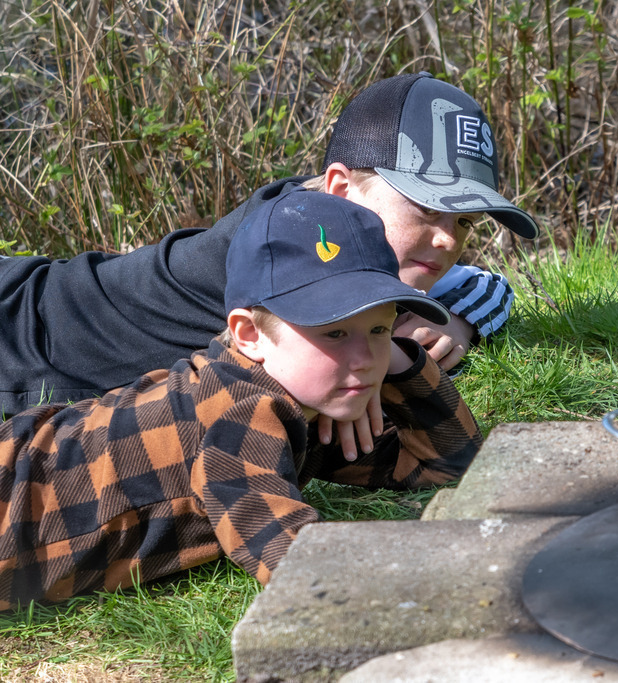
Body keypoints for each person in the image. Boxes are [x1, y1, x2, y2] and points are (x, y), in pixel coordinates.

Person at [0, 190, 483, 609]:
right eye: (335, 332)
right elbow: (296, 559)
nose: (364, 358)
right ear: (249, 334)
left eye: (378, 328)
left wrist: (402, 363)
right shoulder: (242, 412)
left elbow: (450, 463)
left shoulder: (302, 400)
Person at [0, 72, 539, 439]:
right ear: (340, 188)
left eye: (464, 221)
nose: (448, 240)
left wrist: (461, 319)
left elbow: (485, 284)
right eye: (425, 209)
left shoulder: (330, 230)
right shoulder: (289, 249)